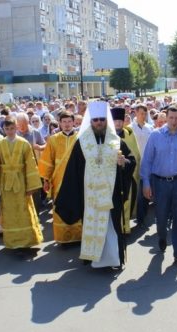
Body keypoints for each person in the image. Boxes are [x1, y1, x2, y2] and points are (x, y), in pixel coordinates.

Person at [54, 101, 136, 269]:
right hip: (89, 196)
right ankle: (93, 258)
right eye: (96, 119)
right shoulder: (82, 143)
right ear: (90, 121)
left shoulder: (116, 141)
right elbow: (73, 171)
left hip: (111, 194)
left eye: (102, 119)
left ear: (107, 121)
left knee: (111, 227)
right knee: (92, 224)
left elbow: (131, 161)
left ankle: (114, 260)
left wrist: (124, 162)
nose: (99, 122)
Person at [140, 104, 177, 268]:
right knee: (162, 216)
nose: (173, 121)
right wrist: (146, 182)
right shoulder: (155, 136)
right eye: (170, 118)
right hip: (159, 182)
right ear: (166, 117)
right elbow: (147, 161)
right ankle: (162, 236)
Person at [0, 119, 43, 252]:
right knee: (9, 210)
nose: (10, 131)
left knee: (24, 209)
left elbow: (31, 165)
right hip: (6, 183)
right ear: (3, 130)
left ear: (16, 128)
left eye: (12, 128)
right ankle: (12, 240)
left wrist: (31, 186)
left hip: (21, 181)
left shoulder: (24, 144)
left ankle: (27, 240)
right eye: (7, 129)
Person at [39, 111, 82, 245]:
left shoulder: (81, 138)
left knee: (78, 204)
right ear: (60, 123)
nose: (67, 125)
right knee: (60, 205)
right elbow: (47, 161)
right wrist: (46, 179)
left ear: (74, 122)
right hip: (59, 180)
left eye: (69, 121)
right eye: (64, 122)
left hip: (77, 179)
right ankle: (63, 238)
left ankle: (79, 236)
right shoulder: (53, 139)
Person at [112, 107, 141, 234]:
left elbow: (135, 154)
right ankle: (114, 227)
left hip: (127, 173)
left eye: (120, 120)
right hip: (111, 176)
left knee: (127, 200)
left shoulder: (129, 134)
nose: (118, 123)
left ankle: (125, 227)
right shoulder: (106, 135)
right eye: (115, 120)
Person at [129, 104, 154, 225]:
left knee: (146, 188)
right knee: (137, 190)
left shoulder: (150, 128)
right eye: (141, 113)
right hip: (135, 163)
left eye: (145, 113)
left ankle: (143, 213)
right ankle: (138, 215)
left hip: (148, 162)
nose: (143, 116)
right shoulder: (130, 128)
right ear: (135, 113)